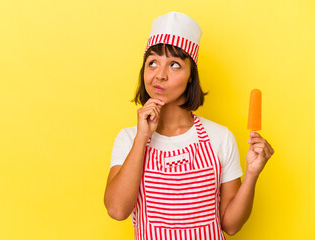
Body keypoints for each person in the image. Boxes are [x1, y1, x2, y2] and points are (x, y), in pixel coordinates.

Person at [104, 11, 274, 240]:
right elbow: (117, 211)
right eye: (152, 63)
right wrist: (141, 138)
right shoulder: (128, 139)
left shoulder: (220, 137)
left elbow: (231, 226)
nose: (159, 75)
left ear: (191, 75)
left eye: (174, 65)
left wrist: (253, 173)